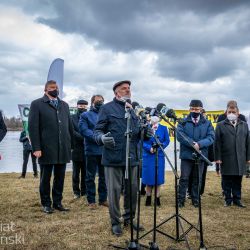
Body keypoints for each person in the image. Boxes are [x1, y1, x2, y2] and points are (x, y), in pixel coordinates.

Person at [94, 80, 151, 236]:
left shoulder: (134, 110)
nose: (127, 91)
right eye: (123, 89)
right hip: (113, 157)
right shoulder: (106, 109)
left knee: (132, 190)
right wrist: (101, 139)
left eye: (129, 88)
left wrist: (147, 132)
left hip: (132, 157)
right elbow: (97, 130)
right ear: (116, 93)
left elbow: (140, 133)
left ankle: (129, 219)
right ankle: (115, 222)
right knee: (114, 191)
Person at [28, 80, 73, 214]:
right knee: (45, 177)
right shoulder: (37, 104)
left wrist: (71, 144)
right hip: (46, 148)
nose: (55, 89)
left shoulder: (64, 105)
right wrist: (36, 147)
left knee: (60, 177)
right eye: (52, 87)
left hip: (63, 147)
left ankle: (58, 202)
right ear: (45, 89)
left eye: (57, 87)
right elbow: (33, 127)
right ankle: (46, 203)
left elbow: (69, 126)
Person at [177, 100, 214, 208]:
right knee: (184, 178)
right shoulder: (182, 122)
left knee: (197, 178)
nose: (194, 111)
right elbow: (180, 135)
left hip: (201, 155)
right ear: (189, 109)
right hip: (186, 155)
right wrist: (192, 144)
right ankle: (181, 200)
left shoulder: (207, 123)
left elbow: (211, 137)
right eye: (192, 109)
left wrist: (200, 144)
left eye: (197, 109)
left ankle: (195, 199)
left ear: (201, 110)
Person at [214, 103, 250, 207]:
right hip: (226, 157)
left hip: (240, 157)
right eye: (229, 112)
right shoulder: (220, 125)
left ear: (238, 113)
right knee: (226, 180)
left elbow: (248, 142)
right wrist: (218, 158)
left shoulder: (244, 125)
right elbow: (217, 143)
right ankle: (227, 199)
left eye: (233, 112)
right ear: (226, 113)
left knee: (237, 180)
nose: (231, 114)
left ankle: (237, 199)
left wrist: (248, 157)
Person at [79, 95, 108, 209]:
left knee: (103, 176)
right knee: (90, 176)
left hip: (104, 150)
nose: (100, 103)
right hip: (91, 150)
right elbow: (84, 130)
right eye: (97, 101)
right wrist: (97, 137)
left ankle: (103, 199)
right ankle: (91, 200)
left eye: (101, 101)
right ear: (92, 103)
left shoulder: (106, 115)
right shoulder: (85, 115)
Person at [142, 116, 170, 206]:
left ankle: (157, 198)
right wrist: (149, 148)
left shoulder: (164, 128)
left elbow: (167, 140)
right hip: (148, 156)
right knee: (149, 177)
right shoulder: (146, 128)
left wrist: (160, 147)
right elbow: (141, 141)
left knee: (158, 177)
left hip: (159, 155)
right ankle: (148, 197)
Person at [71, 99, 88, 199]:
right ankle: (76, 191)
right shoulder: (72, 118)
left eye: (84, 106)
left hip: (87, 149)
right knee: (75, 173)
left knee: (85, 172)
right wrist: (84, 137)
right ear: (77, 106)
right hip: (76, 148)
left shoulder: (89, 117)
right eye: (80, 106)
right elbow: (71, 131)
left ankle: (84, 191)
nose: (82, 107)